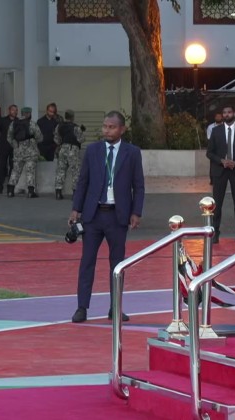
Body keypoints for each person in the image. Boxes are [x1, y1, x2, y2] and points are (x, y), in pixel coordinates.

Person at [69, 111, 144, 323]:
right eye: (105, 126)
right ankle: (82, 307)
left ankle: (115, 308)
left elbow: (138, 185)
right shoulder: (93, 150)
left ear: (122, 129)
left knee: (117, 265)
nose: (107, 130)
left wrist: (136, 212)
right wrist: (76, 208)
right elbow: (83, 181)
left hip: (117, 217)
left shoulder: (132, 153)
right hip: (93, 216)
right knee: (87, 262)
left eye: (111, 127)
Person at [207, 105, 235, 244]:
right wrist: (221, 161)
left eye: (229, 112)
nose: (227, 115)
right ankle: (215, 233)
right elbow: (209, 153)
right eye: (224, 112)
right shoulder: (216, 131)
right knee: (217, 204)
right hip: (220, 171)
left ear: (234, 113)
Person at [6, 107, 43, 198]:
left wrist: (15, 146)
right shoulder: (32, 124)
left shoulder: (14, 123)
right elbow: (39, 137)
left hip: (18, 151)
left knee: (15, 170)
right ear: (29, 114)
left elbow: (9, 137)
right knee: (30, 171)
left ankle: (10, 191)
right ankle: (31, 192)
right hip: (31, 152)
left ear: (21, 113)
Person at [54, 110, 84, 200]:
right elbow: (81, 139)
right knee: (75, 171)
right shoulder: (76, 127)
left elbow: (56, 139)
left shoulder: (59, 126)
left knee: (61, 170)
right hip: (73, 149)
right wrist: (81, 131)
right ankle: (75, 193)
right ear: (72, 117)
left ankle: (58, 192)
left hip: (63, 149)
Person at [0, 104, 18, 194]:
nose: (15, 112)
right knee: (2, 166)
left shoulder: (18, 121)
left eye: (16, 110)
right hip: (4, 146)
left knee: (13, 166)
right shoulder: (3, 120)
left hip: (14, 147)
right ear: (9, 110)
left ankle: (10, 186)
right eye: (13, 110)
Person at [205, 113, 223, 185]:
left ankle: (222, 179)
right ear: (215, 118)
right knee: (213, 164)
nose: (218, 118)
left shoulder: (225, 126)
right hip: (214, 148)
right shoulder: (210, 127)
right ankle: (212, 180)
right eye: (217, 116)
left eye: (219, 116)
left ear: (222, 117)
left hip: (223, 148)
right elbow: (209, 138)